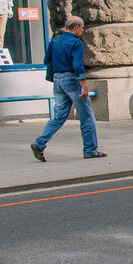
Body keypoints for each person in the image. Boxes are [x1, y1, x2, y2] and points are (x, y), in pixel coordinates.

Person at [30, 16, 104, 161]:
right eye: (81, 28)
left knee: (58, 116)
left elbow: (46, 60)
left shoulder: (55, 40)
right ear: (76, 27)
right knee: (87, 117)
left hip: (57, 80)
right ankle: (90, 150)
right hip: (71, 80)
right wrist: (83, 85)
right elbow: (77, 65)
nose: (82, 31)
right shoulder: (76, 43)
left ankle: (39, 143)